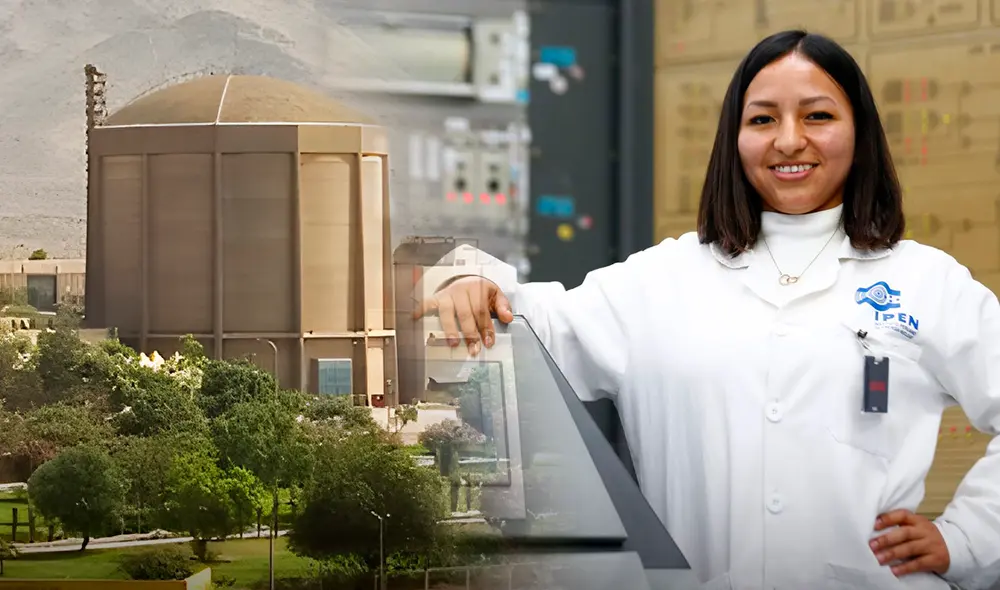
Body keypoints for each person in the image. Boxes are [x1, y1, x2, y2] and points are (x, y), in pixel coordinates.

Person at [416, 30, 1000, 590]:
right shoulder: (663, 280)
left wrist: (967, 539)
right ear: (734, 137)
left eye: (818, 116)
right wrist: (474, 281)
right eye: (762, 119)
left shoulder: (924, 282)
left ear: (860, 132)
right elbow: (540, 325)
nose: (789, 140)